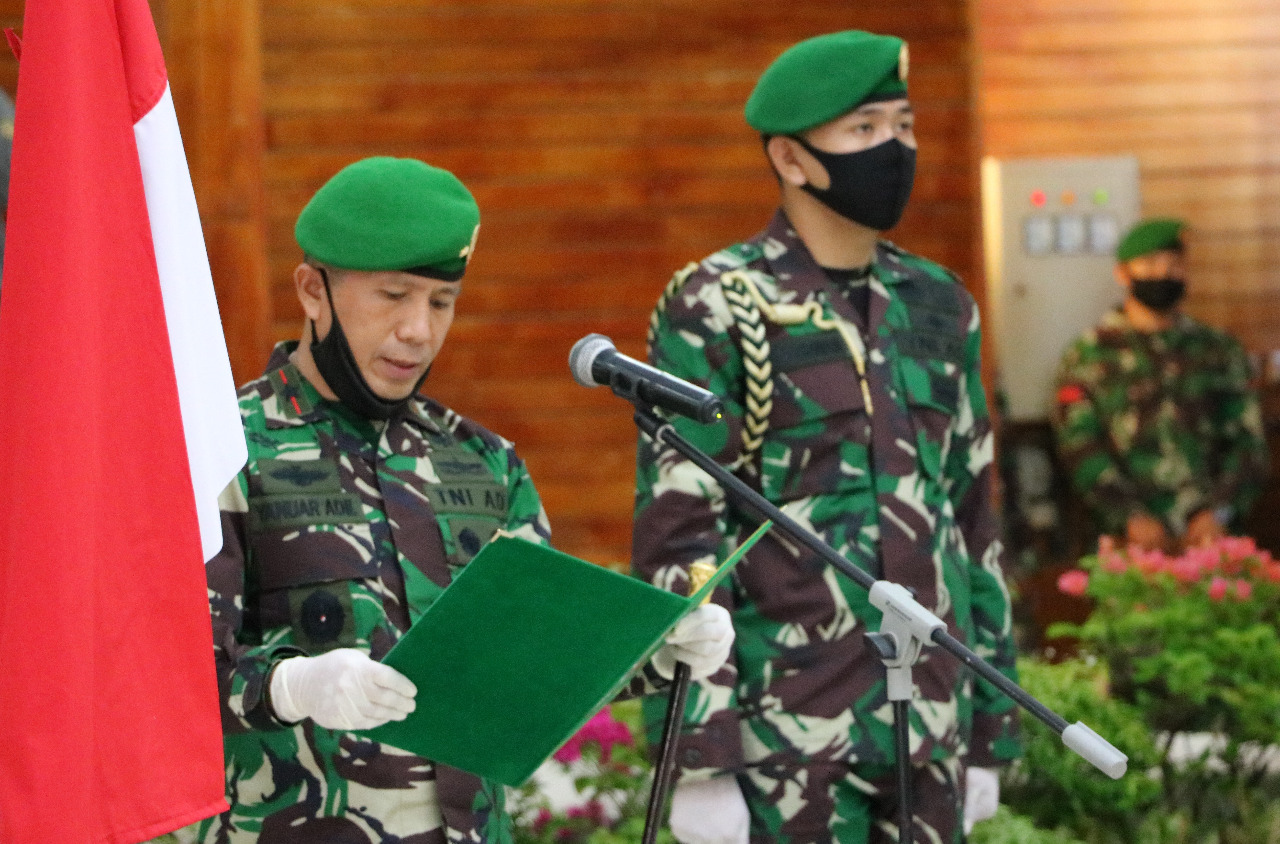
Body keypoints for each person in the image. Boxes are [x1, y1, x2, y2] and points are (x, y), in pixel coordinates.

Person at [180, 157, 735, 844]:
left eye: (440, 302)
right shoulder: (224, 451)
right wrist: (292, 686)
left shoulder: (483, 462)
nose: (419, 330)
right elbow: (169, 679)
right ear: (312, 291)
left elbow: (533, 672)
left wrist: (658, 649)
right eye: (393, 296)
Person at [631, 31, 1021, 844]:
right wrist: (701, 758)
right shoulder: (716, 303)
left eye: (904, 125)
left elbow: (974, 519)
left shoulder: (940, 303)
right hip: (790, 740)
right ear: (793, 158)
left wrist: (992, 730)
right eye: (865, 129)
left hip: (932, 723)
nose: (896, 149)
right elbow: (683, 535)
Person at [1052, 217, 1270, 552]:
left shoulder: (1218, 350)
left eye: (1176, 264)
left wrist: (1219, 512)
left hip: (1212, 539)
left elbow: (1248, 443)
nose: (1165, 274)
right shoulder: (1089, 355)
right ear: (1123, 274)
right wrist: (1129, 516)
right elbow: (1079, 446)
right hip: (1130, 540)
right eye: (1151, 263)